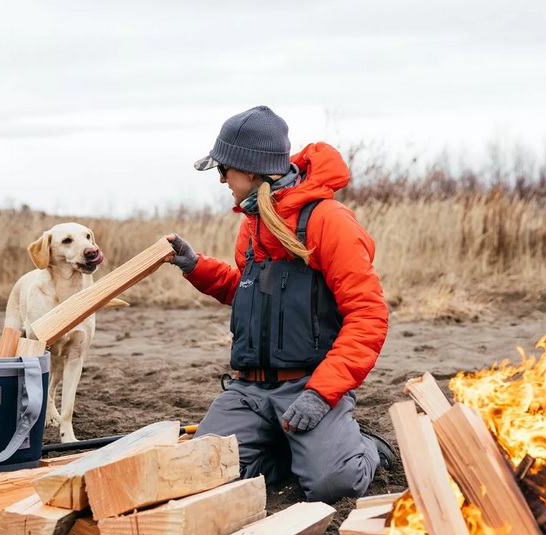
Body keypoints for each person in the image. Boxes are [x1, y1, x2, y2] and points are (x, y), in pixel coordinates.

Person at [165, 105, 391, 504]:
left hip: (309, 386)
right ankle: (290, 449)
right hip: (250, 391)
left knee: (331, 484)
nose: (221, 180)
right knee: (199, 473)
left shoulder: (328, 221)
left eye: (224, 171)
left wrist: (321, 394)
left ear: (251, 172)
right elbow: (250, 293)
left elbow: (368, 315)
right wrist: (196, 266)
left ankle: (366, 449)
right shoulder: (252, 224)